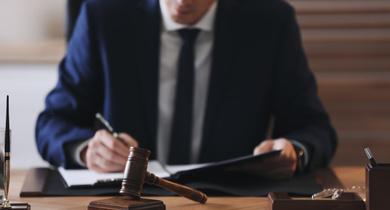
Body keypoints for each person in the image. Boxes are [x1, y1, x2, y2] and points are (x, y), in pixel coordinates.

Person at [35, 0, 337, 180]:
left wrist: (294, 151)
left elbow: (314, 128)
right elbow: (52, 123)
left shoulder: (271, 23)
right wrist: (88, 150)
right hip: (126, 209)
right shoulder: (102, 17)